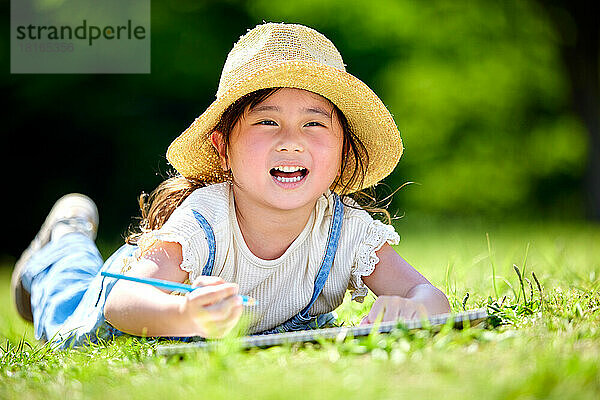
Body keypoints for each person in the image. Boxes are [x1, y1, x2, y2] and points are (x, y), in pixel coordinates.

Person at [11, 22, 451, 347]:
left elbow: (430, 294)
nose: (291, 141)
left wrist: (411, 308)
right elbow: (123, 302)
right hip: (126, 299)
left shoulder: (346, 230)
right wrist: (183, 313)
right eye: (266, 121)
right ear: (223, 148)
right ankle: (64, 245)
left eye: (314, 123)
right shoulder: (207, 218)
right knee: (65, 306)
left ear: (341, 154)